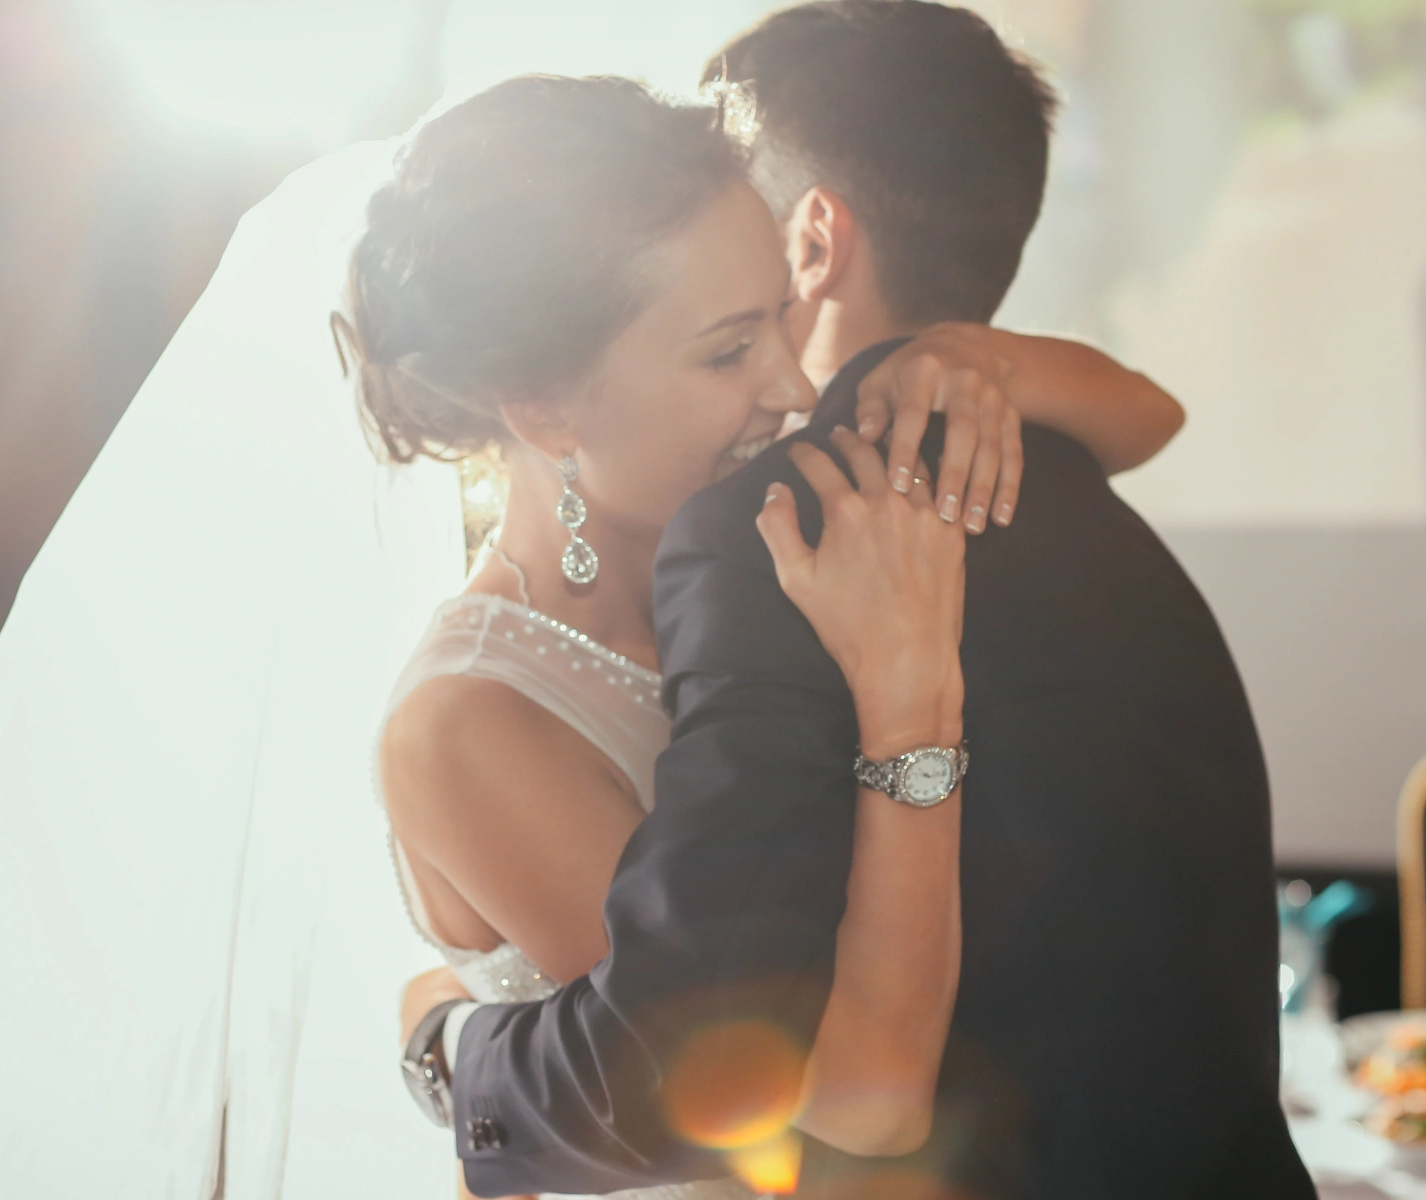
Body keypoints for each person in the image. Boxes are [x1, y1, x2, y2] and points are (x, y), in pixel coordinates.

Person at [418, 5, 1313, 1198]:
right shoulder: (1090, 500)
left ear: (809, 240)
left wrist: (452, 1051)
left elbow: (695, 1062)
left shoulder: (772, 536)